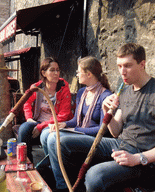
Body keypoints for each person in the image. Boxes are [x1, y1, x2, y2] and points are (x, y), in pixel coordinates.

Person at [47, 43, 155, 192]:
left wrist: (137, 158)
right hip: (121, 144)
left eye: (127, 66)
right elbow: (115, 131)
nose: (122, 72)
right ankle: (66, 188)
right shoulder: (125, 91)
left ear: (142, 64)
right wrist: (106, 110)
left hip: (145, 159)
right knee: (58, 141)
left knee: (94, 175)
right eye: (119, 66)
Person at [37, 56, 112, 190]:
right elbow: (75, 120)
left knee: (54, 138)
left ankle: (62, 185)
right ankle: (59, 170)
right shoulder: (82, 92)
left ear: (88, 74)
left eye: (79, 72)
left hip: (93, 137)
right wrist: (64, 125)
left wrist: (75, 130)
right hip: (79, 132)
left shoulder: (105, 95)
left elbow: (103, 130)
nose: (76, 74)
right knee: (46, 133)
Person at [17, 57, 73, 162]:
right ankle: (26, 161)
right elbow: (26, 101)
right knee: (24, 129)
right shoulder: (37, 87)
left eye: (58, 70)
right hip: (38, 121)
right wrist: (29, 118)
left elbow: (64, 115)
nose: (56, 73)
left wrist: (41, 126)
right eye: (52, 70)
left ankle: (50, 165)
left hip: (55, 123)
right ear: (43, 73)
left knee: (46, 133)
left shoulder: (63, 87)